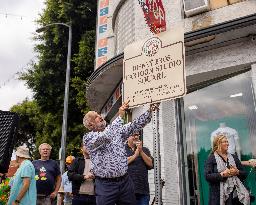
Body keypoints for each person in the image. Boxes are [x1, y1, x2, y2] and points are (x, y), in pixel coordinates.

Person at [83, 101, 159, 205]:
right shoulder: (89, 138)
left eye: (99, 114)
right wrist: (119, 117)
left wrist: (150, 111)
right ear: (91, 124)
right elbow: (105, 137)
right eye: (95, 117)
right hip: (106, 185)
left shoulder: (115, 131)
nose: (100, 117)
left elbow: (134, 126)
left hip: (125, 182)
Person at [204, 134, 250, 205]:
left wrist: (237, 172)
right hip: (218, 196)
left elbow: (244, 174)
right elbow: (207, 176)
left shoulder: (234, 157)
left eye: (227, 141)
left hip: (235, 196)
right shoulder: (211, 158)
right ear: (218, 144)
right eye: (224, 142)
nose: (227, 144)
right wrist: (222, 174)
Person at [126, 133, 154, 205]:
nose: (136, 137)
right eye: (133, 135)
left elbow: (151, 164)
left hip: (143, 191)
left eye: (137, 135)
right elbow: (121, 162)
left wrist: (140, 151)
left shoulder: (145, 149)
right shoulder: (122, 149)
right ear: (127, 137)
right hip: (126, 191)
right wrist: (136, 154)